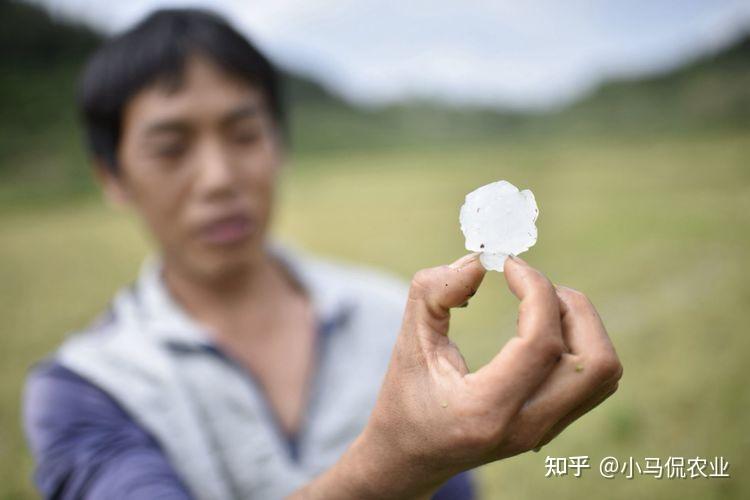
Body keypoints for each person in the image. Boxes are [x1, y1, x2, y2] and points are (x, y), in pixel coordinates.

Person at [22, 8, 622, 500]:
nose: (218, 178)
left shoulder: (396, 318)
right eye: (171, 147)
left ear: (278, 144)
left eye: (244, 134)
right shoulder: (85, 388)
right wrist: (392, 465)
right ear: (113, 177)